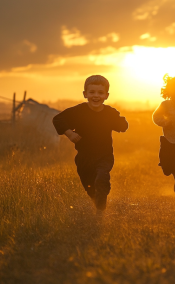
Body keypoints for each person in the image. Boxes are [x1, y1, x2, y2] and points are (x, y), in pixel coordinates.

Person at [53, 75, 128, 212]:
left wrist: (121, 123)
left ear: (106, 95)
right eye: (92, 92)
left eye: (100, 93)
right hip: (84, 157)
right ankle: (97, 199)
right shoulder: (78, 111)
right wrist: (70, 133)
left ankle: (102, 196)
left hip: (104, 155)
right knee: (89, 185)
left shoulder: (109, 113)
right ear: (85, 94)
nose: (96, 96)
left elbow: (122, 125)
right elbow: (58, 119)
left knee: (101, 176)